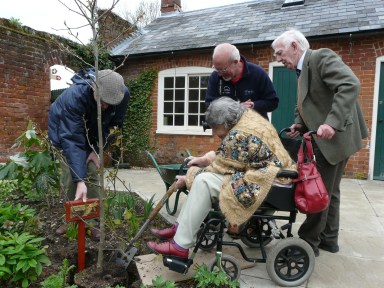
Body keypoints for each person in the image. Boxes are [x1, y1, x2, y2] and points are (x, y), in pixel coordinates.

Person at [147, 97, 296, 258]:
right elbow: (229, 157)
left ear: (225, 123)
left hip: (269, 181)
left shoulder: (239, 134)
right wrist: (204, 160)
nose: (213, 133)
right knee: (203, 179)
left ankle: (180, 246)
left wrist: (187, 177)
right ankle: (180, 229)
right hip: (272, 173)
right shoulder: (246, 119)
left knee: (203, 181)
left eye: (215, 128)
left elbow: (221, 168)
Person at [271, 29, 368, 256]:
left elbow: (350, 84)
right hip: (332, 137)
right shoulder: (302, 69)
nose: (277, 59)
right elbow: (306, 103)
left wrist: (332, 123)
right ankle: (329, 239)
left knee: (317, 191)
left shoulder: (321, 57)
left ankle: (307, 244)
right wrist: (299, 124)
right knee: (330, 191)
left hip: (335, 137)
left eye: (279, 52)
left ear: (295, 46)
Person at [48, 68, 130, 238]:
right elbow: (71, 139)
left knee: (92, 172)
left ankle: (94, 221)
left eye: (110, 103)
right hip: (63, 132)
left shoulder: (121, 95)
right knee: (71, 177)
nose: (106, 106)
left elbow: (113, 125)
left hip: (90, 133)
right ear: (93, 87)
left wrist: (95, 150)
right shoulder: (74, 97)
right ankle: (71, 221)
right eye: (102, 101)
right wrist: (79, 179)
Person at [205, 43, 279, 120]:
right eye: (217, 69)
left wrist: (253, 105)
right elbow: (209, 105)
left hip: (255, 127)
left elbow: (272, 102)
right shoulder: (215, 76)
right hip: (226, 129)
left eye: (223, 69)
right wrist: (237, 108)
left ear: (235, 62)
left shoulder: (258, 73)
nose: (219, 74)